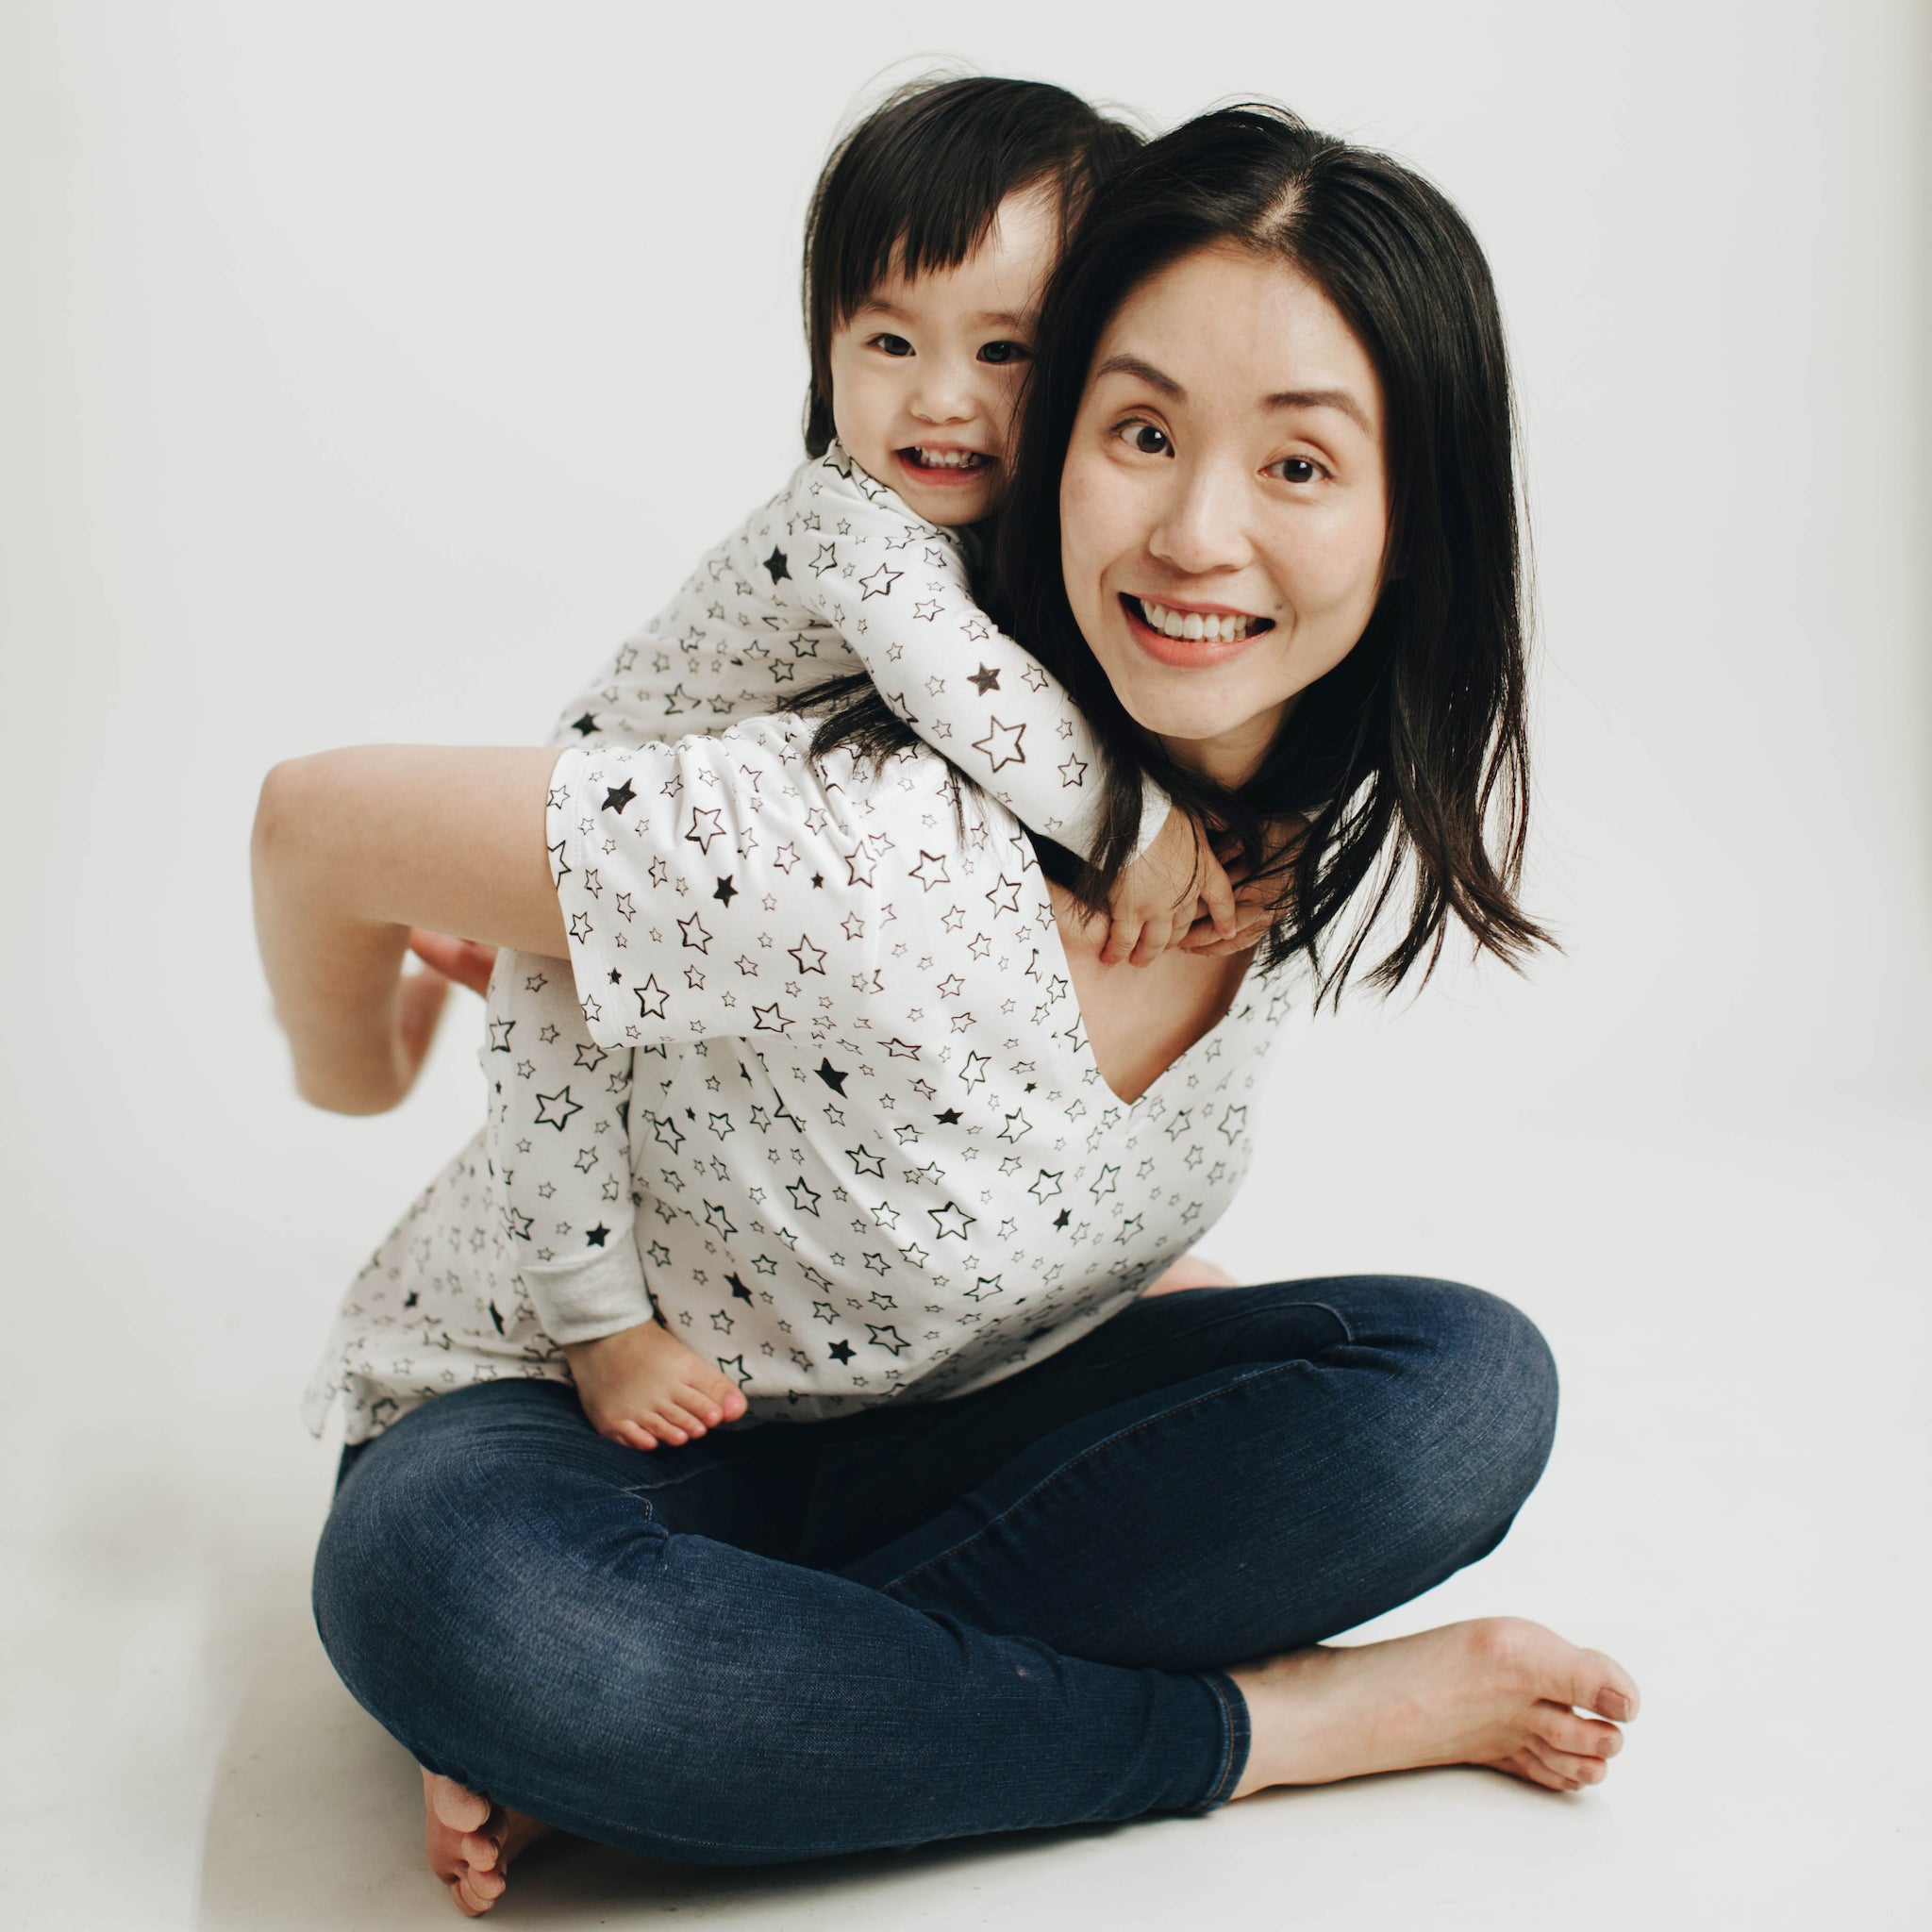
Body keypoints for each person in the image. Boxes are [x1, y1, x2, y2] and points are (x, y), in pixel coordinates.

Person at [254, 105, 1639, 1919]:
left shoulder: (1267, 831)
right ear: (1060, 453)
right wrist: (356, 1071)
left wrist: (1101, 1279)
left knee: (1458, 1395)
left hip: (924, 1428)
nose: (1199, 531)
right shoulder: (846, 837)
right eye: (1141, 432)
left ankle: (744, 1728)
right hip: (573, 1443)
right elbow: (312, 825)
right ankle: (1262, 1733)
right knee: (489, 1614)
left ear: (1417, 521)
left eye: (1299, 466)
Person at [368, 74, 1250, 1455]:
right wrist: (1132, 831)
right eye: (887, 340)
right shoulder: (851, 524)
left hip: (759, 870)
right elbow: (968, 695)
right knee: (556, 1067)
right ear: (823, 342)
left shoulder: (1031, 525)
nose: (940, 400)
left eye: (1004, 353)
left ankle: (1058, 1307)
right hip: (616, 824)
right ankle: (597, 1326)